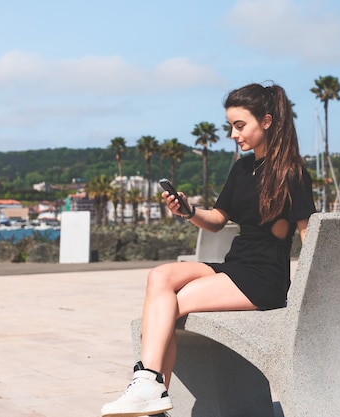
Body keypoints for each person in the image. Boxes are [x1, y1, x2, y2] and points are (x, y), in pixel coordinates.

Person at [100, 82, 316, 417]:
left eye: (240, 125)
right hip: (235, 267)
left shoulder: (292, 173)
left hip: (264, 280)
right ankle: (150, 386)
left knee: (175, 303)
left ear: (268, 121)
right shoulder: (242, 168)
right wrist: (187, 210)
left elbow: (308, 236)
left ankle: (150, 388)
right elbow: (216, 220)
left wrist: (306, 296)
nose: (233, 134)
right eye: (230, 125)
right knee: (160, 277)